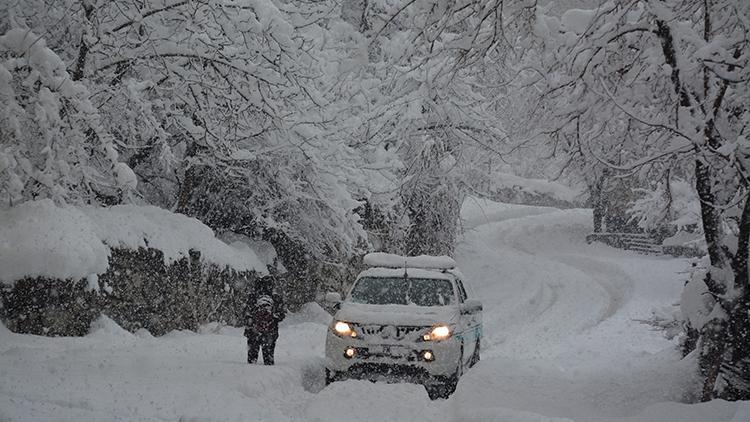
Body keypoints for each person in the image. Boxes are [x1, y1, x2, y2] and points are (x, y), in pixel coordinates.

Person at [244, 275, 285, 365]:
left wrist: (250, 326)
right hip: (270, 332)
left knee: (252, 359)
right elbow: (281, 315)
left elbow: (246, 314)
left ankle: (249, 375)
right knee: (269, 359)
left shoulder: (252, 297)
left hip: (253, 332)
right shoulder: (275, 298)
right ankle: (269, 375)